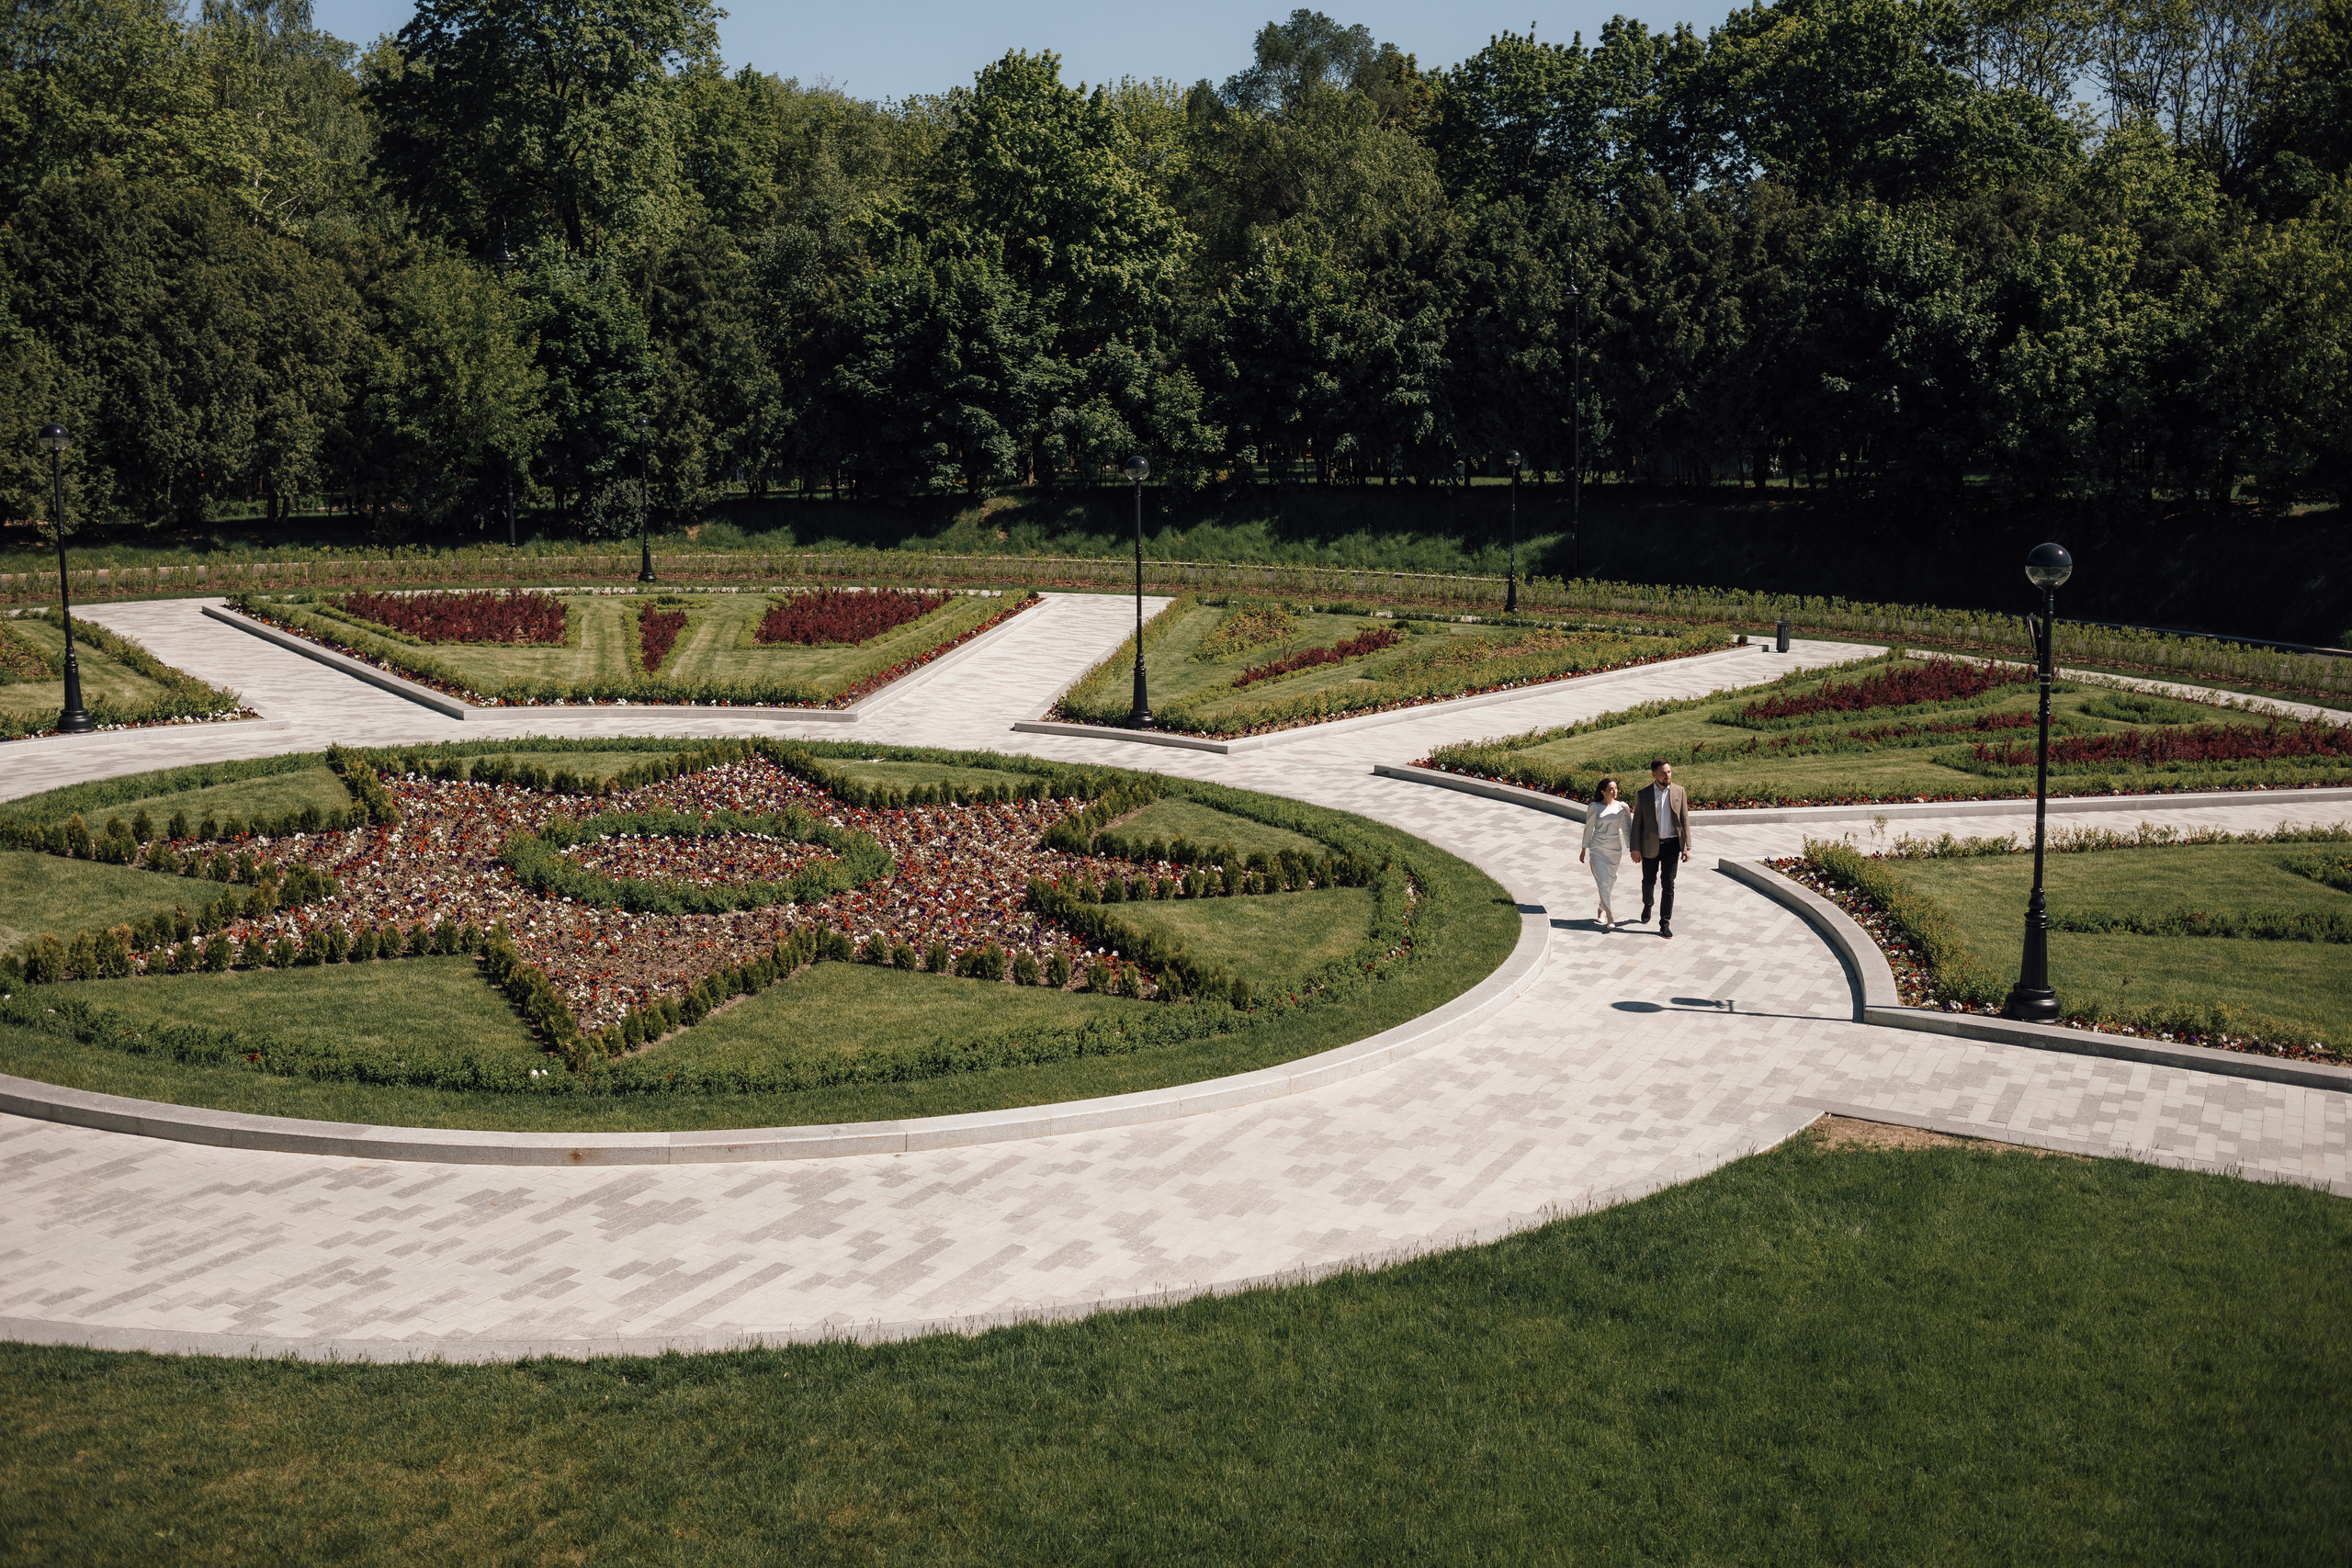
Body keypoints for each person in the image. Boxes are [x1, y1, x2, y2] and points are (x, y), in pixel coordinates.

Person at [1628, 757, 1691, 938]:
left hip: (1672, 845)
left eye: (1669, 772)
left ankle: (1665, 922)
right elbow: (1637, 822)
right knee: (1648, 881)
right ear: (1654, 774)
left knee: (1668, 884)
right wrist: (1635, 848)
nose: (1667, 776)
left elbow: (1684, 819)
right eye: (1663, 773)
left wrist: (1687, 846)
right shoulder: (1644, 794)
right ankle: (1648, 904)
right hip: (1650, 845)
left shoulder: (1679, 791)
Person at [1577, 776, 1631, 930]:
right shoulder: (1595, 807)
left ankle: (1601, 907)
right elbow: (1588, 827)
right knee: (1602, 881)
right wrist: (1584, 848)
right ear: (1603, 792)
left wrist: (1633, 849)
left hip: (1614, 849)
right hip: (1597, 849)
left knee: (1610, 880)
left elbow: (1627, 829)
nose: (1614, 791)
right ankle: (1610, 916)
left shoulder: (1622, 807)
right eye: (1611, 789)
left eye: (1615, 788)